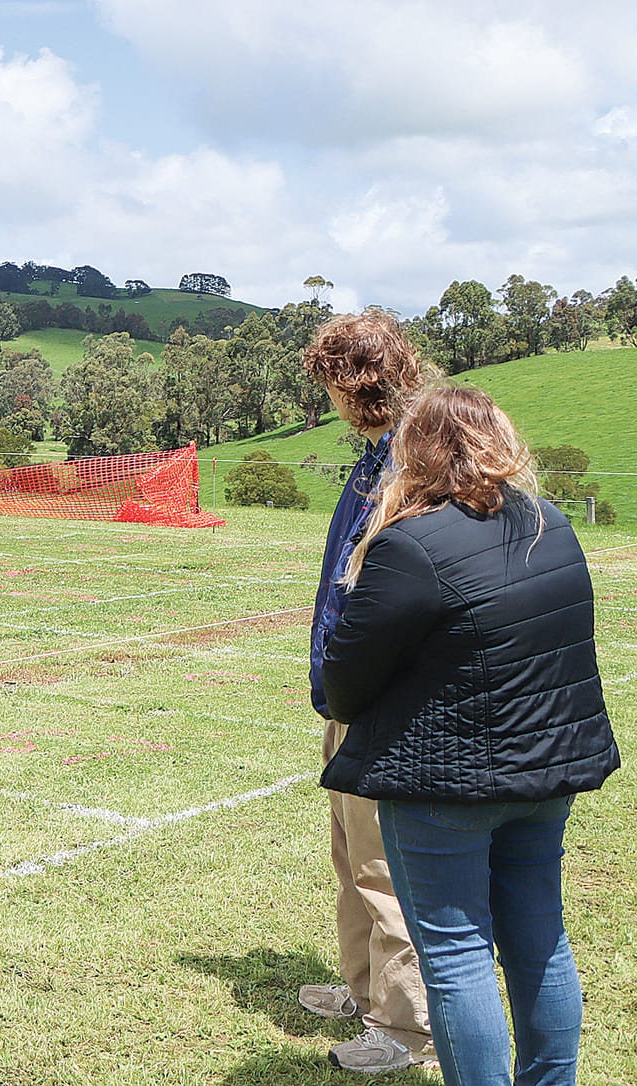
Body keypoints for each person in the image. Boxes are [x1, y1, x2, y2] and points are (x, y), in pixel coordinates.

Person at [321, 384, 618, 1086]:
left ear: (417, 451)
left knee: (456, 956)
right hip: (545, 773)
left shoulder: (411, 543)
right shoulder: (550, 523)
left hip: (445, 785)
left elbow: (345, 680)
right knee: (540, 939)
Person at [299, 310, 433, 1072]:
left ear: (359, 384)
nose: (329, 402)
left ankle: (405, 1028)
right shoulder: (375, 455)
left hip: (384, 700)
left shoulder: (415, 461)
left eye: (331, 385)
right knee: (350, 855)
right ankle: (362, 989)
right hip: (346, 691)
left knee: (386, 870)